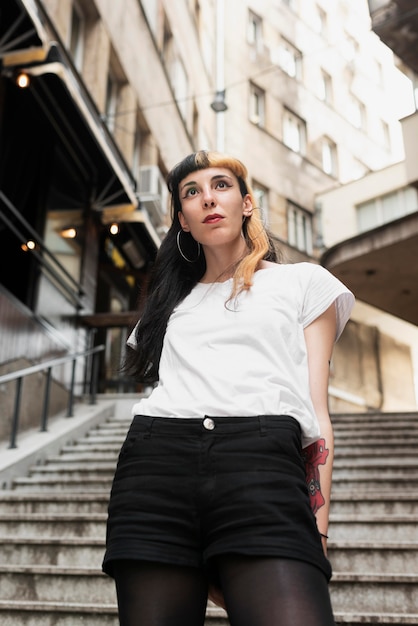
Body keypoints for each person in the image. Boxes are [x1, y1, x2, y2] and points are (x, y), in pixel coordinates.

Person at [102, 150, 355, 626]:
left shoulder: (303, 283)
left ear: (246, 203)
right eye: (192, 193)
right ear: (183, 219)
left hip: (262, 465)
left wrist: (316, 532)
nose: (208, 199)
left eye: (221, 185)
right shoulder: (167, 304)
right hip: (156, 469)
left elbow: (317, 413)